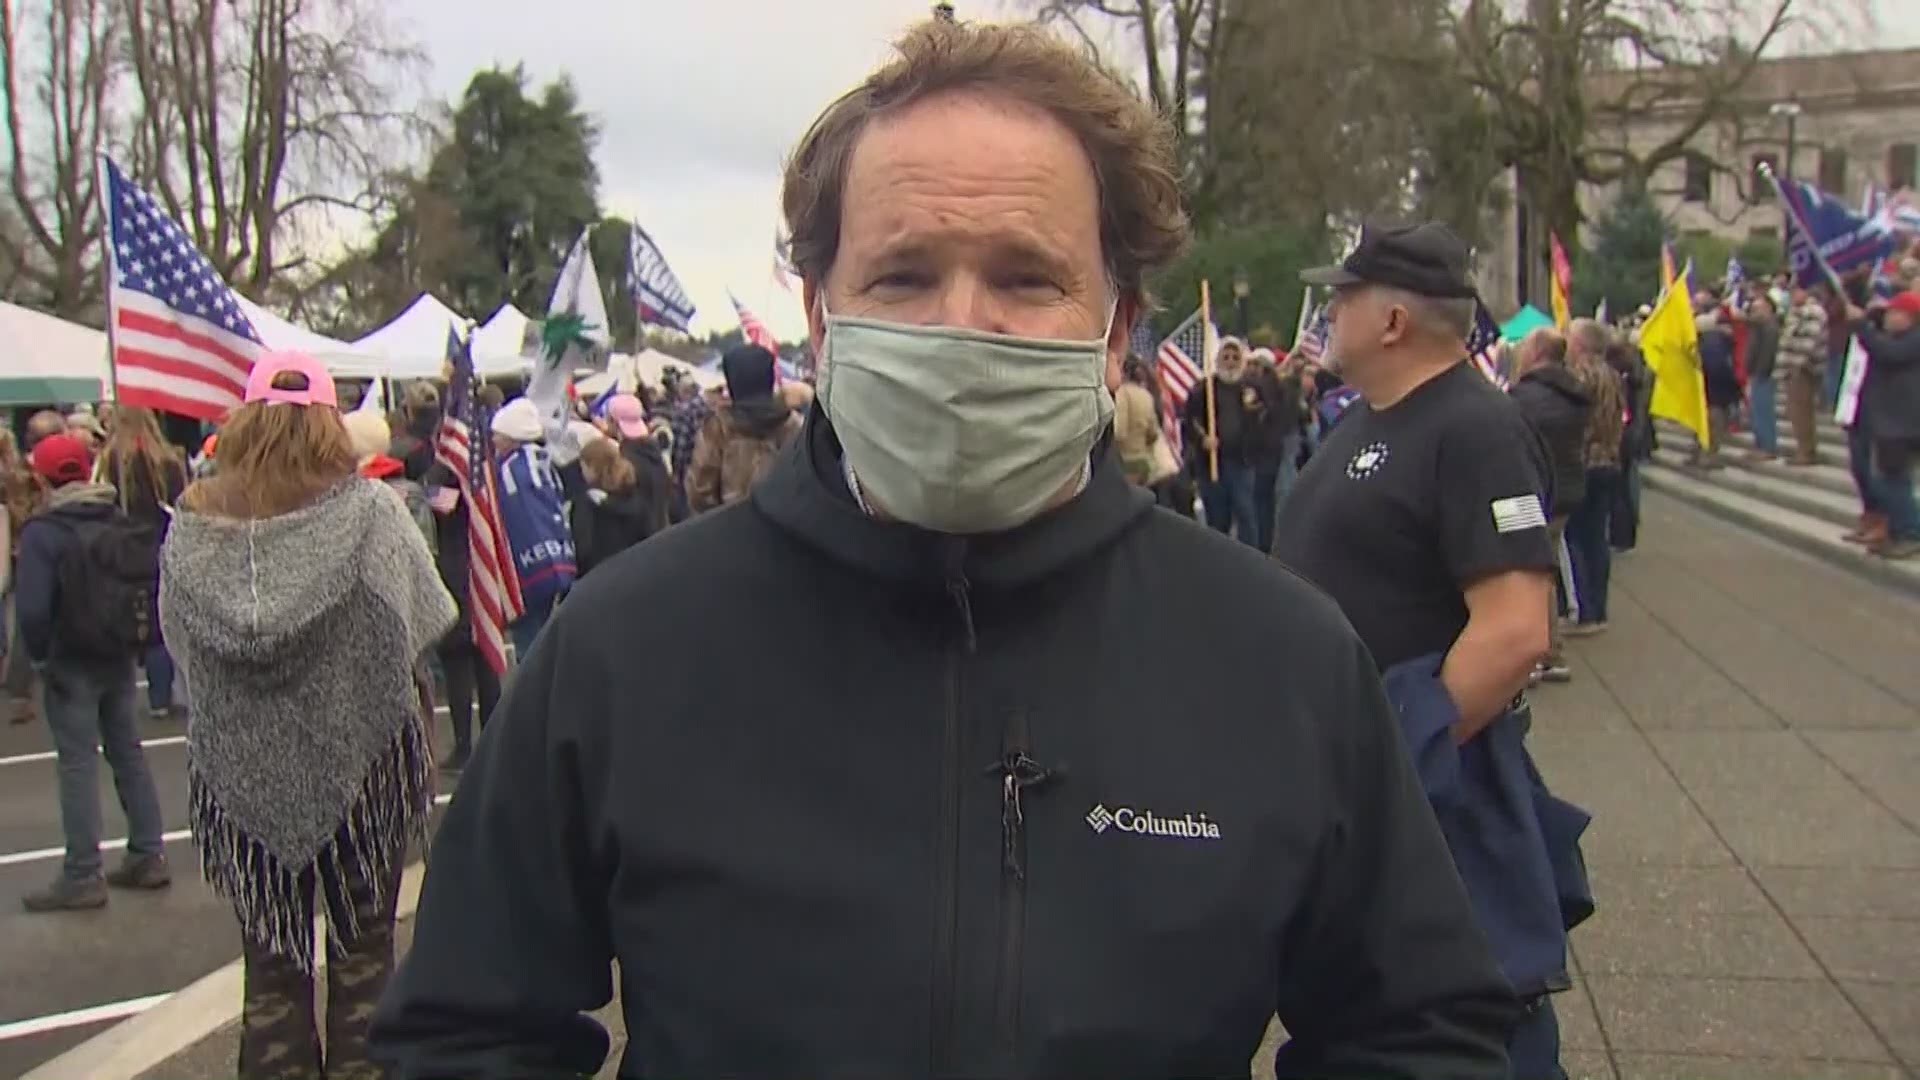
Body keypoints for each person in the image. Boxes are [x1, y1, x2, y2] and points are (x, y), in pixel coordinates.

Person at [374, 21, 1518, 1079]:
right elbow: (467, 1030)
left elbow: (1419, 1031)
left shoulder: (1280, 659)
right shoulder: (623, 650)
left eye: (1026, 277)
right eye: (903, 276)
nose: (962, 322)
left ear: (1118, 327)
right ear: (821, 314)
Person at [1275, 220, 1586, 1080]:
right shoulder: (1366, 422)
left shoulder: (1475, 427)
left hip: (1434, 803)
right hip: (1349, 789)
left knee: (1464, 1031)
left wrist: (1396, 752)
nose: (1329, 311)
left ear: (1394, 320)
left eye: (1344, 295)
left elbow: (1517, 626)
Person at [162, 351, 455, 1080]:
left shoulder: (193, 528)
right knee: (364, 966)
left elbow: (178, 649)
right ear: (330, 422)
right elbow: (425, 620)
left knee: (271, 978)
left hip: (242, 778)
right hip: (366, 774)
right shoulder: (369, 515)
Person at [16, 432, 171, 911]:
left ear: (42, 476)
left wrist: (39, 658)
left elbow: (34, 609)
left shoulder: (45, 532)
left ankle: (83, 871)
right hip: (116, 650)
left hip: (70, 656)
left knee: (78, 763)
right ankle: (148, 852)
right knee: (127, 751)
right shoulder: (115, 517)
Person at [94, 407, 191, 722]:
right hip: (160, 544)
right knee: (159, 621)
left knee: (122, 613)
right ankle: (160, 696)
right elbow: (182, 505)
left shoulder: (110, 463)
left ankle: (118, 691)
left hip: (120, 546)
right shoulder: (169, 462)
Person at [1509, 327, 1591, 684]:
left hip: (1533, 493)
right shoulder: (1572, 393)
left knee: (1527, 574)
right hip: (1563, 491)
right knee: (1544, 572)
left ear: (1538, 353)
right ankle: (1549, 651)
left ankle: (1535, 654)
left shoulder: (1527, 397)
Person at [489, 396, 576, 658]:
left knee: (530, 644)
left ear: (512, 436)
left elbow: (510, 519)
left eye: (498, 435)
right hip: (559, 558)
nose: (493, 441)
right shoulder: (545, 461)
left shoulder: (508, 471)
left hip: (526, 568)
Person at [1844, 290, 1920, 559]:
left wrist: (1863, 326)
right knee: (1883, 479)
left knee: (1891, 481)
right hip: (1887, 421)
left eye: (1894, 312)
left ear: (1909, 317)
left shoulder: (1913, 340)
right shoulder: (1896, 337)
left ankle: (1910, 532)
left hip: (1903, 424)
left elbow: (1889, 354)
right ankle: (1895, 531)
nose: (1888, 316)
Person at [687, 344, 804, 513]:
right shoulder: (795, 426)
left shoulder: (719, 429)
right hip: (786, 528)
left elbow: (700, 492)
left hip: (730, 531)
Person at [1563, 320, 1625, 635]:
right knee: (1596, 538)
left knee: (1578, 537)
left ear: (1582, 344)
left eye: (1570, 339)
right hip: (1609, 461)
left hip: (1586, 462)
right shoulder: (1613, 375)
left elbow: (1575, 419)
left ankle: (1586, 610)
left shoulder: (1581, 376)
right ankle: (1598, 608)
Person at [1183, 336, 1265, 547]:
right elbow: (1189, 421)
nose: (1230, 361)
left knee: (1246, 514)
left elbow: (1265, 419)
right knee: (1217, 518)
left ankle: (1250, 561)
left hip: (1242, 462)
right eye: (1226, 356)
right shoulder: (1204, 389)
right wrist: (1203, 439)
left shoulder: (1251, 389)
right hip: (1212, 464)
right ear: (1218, 359)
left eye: (1235, 357)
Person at [1779, 282, 1829, 469]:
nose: (1792, 295)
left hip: (1803, 369)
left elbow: (1809, 341)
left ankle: (1806, 451)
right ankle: (1804, 447)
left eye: (1795, 291)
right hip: (1792, 367)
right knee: (1796, 412)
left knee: (1801, 412)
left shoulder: (1813, 312)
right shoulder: (1795, 311)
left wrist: (1796, 366)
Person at [1743, 292, 1783, 461]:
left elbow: (1768, 354)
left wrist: (1760, 372)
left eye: (1758, 308)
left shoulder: (1770, 328)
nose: (1754, 312)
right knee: (1756, 412)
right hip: (1755, 373)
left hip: (1764, 375)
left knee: (1764, 412)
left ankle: (1768, 446)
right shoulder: (1758, 328)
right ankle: (1759, 444)